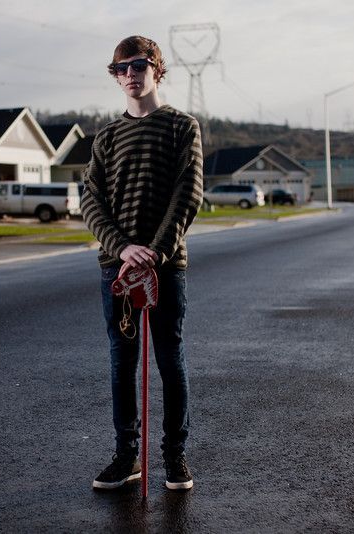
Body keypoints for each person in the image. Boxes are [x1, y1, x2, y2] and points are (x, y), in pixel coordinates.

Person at [81, 35, 204, 491]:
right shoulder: (107, 136)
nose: (130, 75)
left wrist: (155, 250)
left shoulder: (181, 126)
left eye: (138, 65)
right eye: (120, 69)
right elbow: (90, 200)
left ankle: (175, 458)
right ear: (115, 77)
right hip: (116, 266)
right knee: (121, 361)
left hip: (166, 266)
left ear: (157, 69)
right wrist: (123, 249)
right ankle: (126, 456)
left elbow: (188, 193)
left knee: (170, 358)